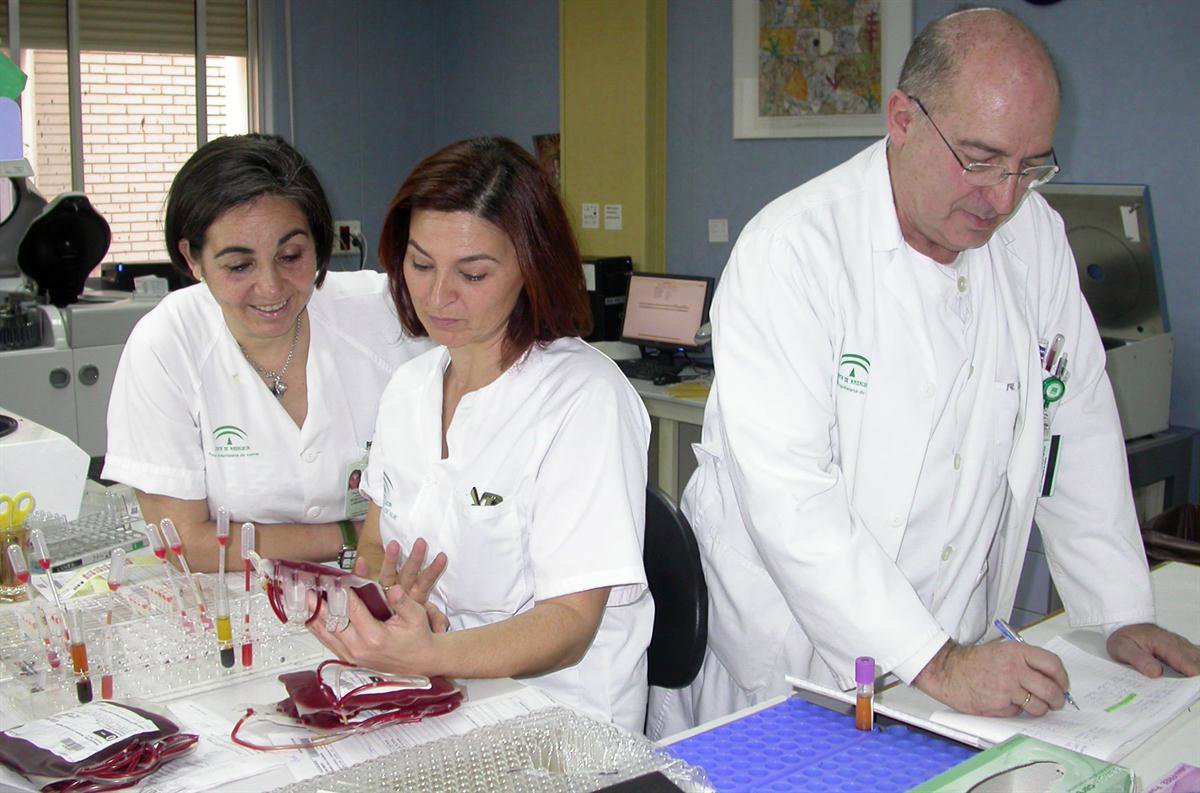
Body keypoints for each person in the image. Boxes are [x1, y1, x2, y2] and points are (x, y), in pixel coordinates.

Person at [648, 8, 1200, 738]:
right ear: (903, 119)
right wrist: (934, 660)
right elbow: (791, 497)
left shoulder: (1034, 238)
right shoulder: (794, 250)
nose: (1004, 198)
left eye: (1030, 166)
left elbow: (1076, 421)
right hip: (790, 651)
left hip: (952, 646)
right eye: (980, 160)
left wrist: (1118, 611)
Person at [306, 137, 654, 732]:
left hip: (561, 723)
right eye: (421, 265)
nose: (438, 295)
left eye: (472, 273)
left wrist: (429, 654)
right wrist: (393, 598)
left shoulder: (582, 397)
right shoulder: (410, 387)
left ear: (531, 268)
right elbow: (375, 543)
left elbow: (570, 624)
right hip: (432, 698)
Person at [104, 134, 429, 572]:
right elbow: (184, 542)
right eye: (239, 266)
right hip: (235, 595)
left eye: (290, 256)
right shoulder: (166, 343)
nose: (271, 287)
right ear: (193, 259)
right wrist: (354, 535)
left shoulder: (388, 314)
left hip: (385, 583)